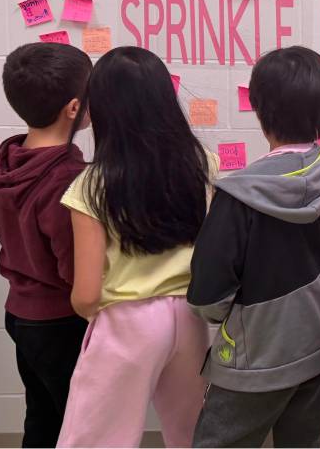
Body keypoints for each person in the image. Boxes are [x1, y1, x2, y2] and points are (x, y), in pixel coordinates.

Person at [57, 47, 215, 448]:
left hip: (126, 322)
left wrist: (94, 315)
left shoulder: (91, 186)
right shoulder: (204, 166)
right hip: (192, 318)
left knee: (95, 438)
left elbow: (87, 294)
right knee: (192, 435)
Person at [188, 46, 320, 448]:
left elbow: (208, 293)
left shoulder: (236, 195)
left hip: (258, 353)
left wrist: (234, 320)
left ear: (258, 108)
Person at [0, 43, 93, 448]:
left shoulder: (11, 159)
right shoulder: (67, 179)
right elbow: (74, 269)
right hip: (58, 322)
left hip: (20, 314)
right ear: (74, 108)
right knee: (79, 426)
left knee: (43, 418)